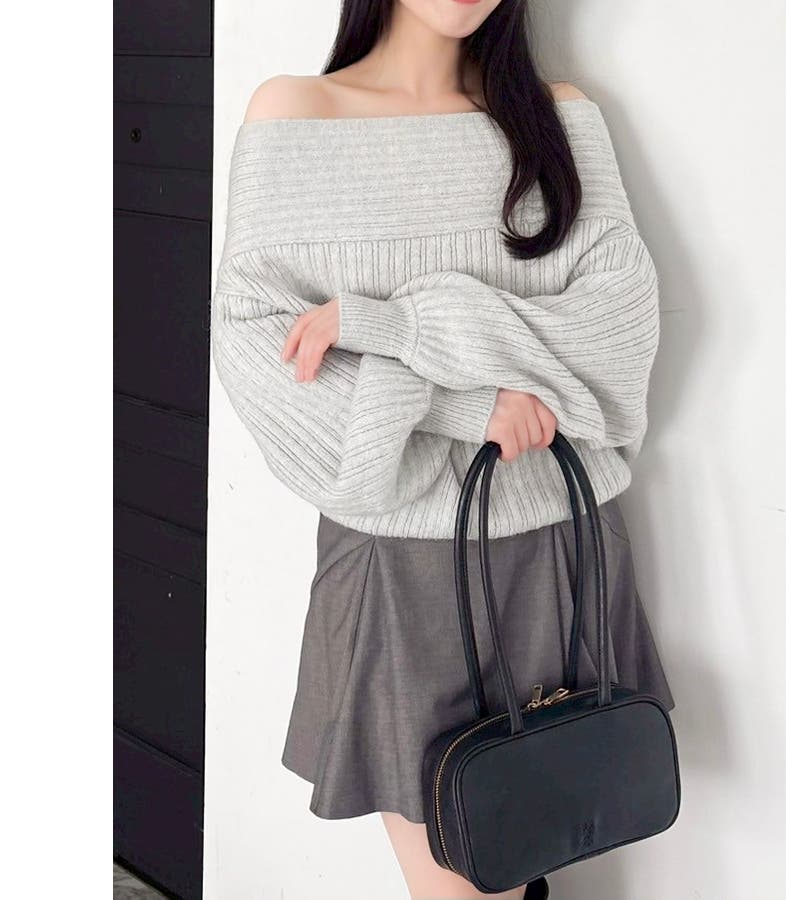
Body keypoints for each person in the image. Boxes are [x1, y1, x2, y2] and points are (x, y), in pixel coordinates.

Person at [211, 1, 675, 897]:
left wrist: (401, 328)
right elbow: (262, 356)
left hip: (562, 546)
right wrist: (473, 402)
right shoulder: (297, 114)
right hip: (404, 564)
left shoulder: (559, 116)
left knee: (526, 862)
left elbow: (617, 336)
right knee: (466, 885)